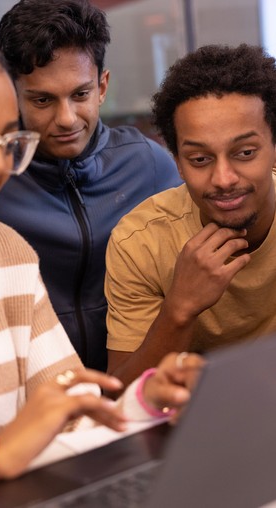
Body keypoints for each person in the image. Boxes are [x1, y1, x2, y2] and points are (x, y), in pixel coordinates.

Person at [0, 5, 197, 507]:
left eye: (6, 140)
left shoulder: (5, 254)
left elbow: (71, 416)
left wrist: (145, 404)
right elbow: (9, 449)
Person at [0, 0, 182, 371]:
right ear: (12, 94)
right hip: (32, 399)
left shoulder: (149, 165)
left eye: (80, 94)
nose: (66, 119)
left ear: (102, 86)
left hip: (136, 386)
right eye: (43, 99)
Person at [105, 43, 276, 388]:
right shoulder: (140, 242)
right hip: (187, 423)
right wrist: (179, 308)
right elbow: (118, 398)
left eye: (244, 153)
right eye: (200, 159)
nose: (224, 179)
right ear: (178, 164)